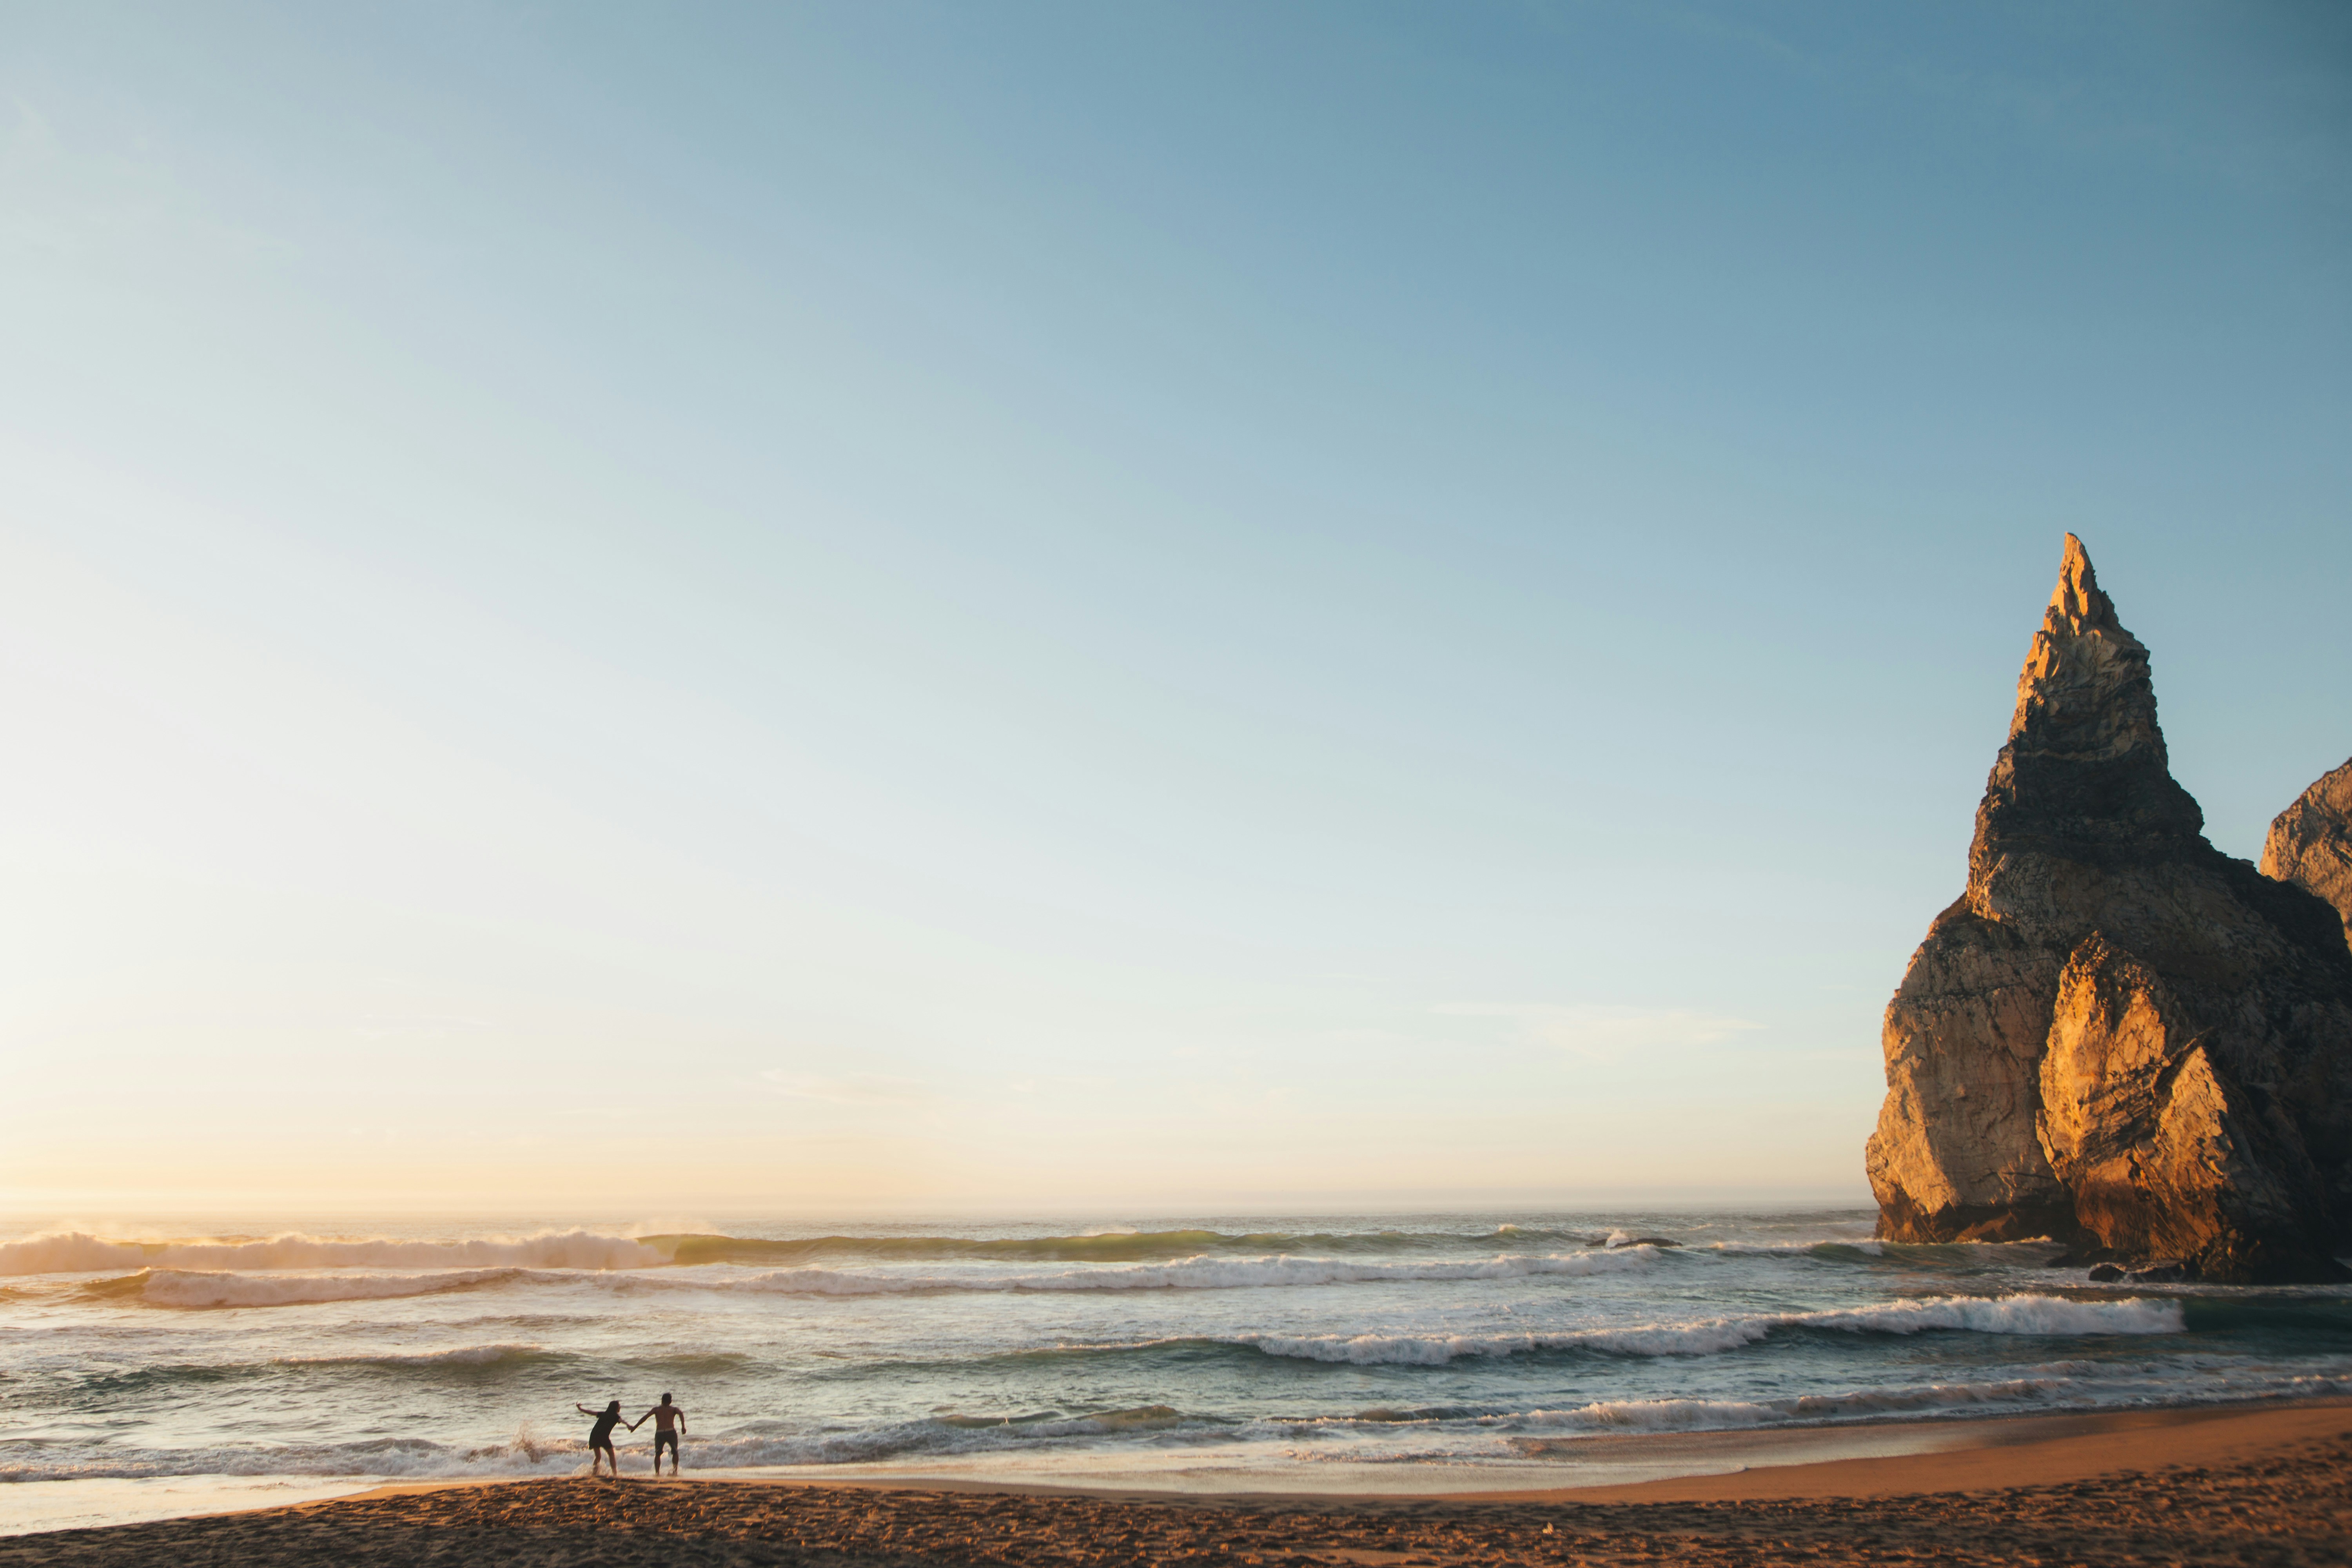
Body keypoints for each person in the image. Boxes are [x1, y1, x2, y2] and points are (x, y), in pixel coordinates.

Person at [631, 1392, 687, 1475]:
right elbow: (681, 1413)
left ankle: (657, 1473)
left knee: (658, 1453)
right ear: (671, 1401)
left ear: (662, 1400)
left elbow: (645, 1418)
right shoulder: (673, 1409)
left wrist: (635, 1427)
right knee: (675, 1452)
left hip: (660, 1433)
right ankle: (675, 1472)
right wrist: (683, 1427)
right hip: (671, 1432)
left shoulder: (657, 1410)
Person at [575, 1399, 626, 1478]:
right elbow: (622, 1421)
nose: (620, 1407)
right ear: (616, 1408)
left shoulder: (603, 1414)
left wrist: (581, 1409)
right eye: (619, 1406)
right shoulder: (616, 1416)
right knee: (611, 1455)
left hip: (594, 1435)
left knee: (598, 1457)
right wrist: (629, 1426)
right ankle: (615, 1474)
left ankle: (594, 1473)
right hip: (603, 1437)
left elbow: (591, 1413)